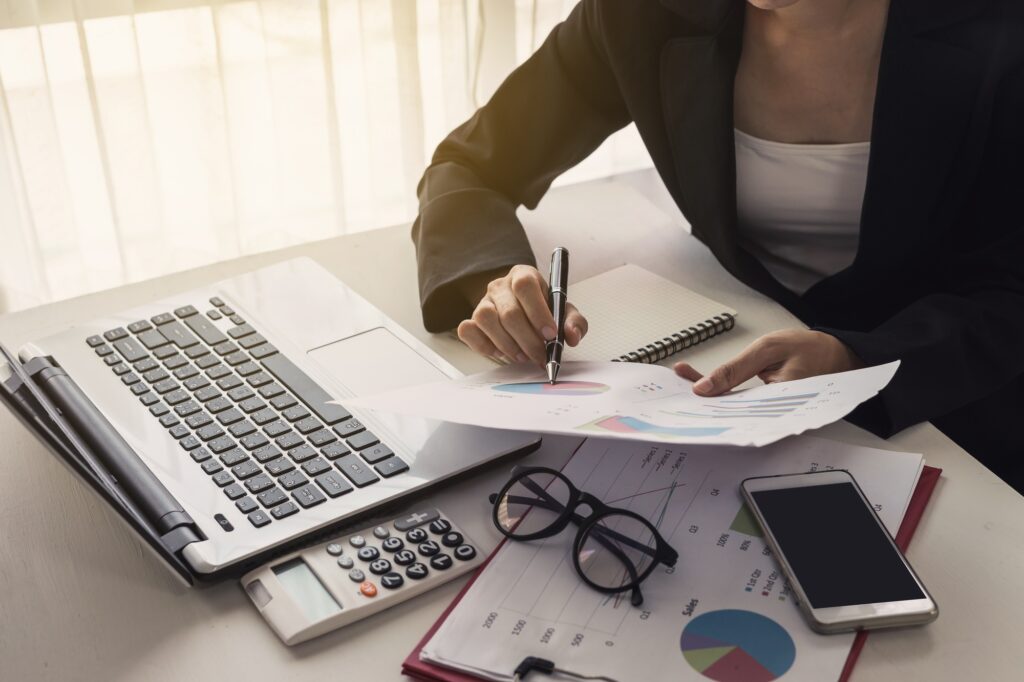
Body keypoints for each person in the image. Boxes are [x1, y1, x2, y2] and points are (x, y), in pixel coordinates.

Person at [411, 0, 1024, 490]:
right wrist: (497, 280)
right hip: (734, 385)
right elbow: (470, 165)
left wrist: (858, 358)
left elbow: (1010, 289)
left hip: (953, 398)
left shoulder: (999, 26)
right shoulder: (641, 13)